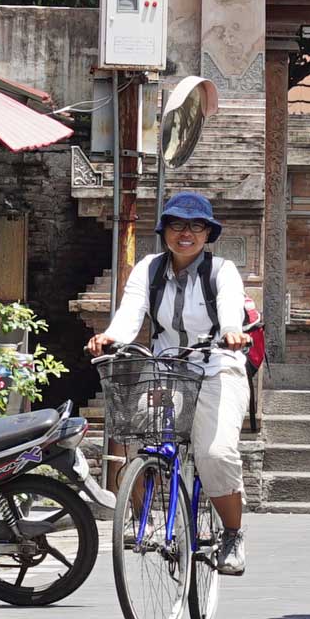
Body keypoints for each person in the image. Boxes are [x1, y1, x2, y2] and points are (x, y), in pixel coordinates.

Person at [87, 192, 252, 575]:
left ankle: (232, 533)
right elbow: (130, 313)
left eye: (196, 226)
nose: (186, 233)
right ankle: (140, 517)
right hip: (167, 371)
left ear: (207, 233)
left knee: (215, 455)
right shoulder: (148, 269)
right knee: (137, 432)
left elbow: (231, 310)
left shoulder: (221, 271)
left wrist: (231, 331)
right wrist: (112, 337)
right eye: (177, 225)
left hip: (217, 369)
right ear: (165, 231)